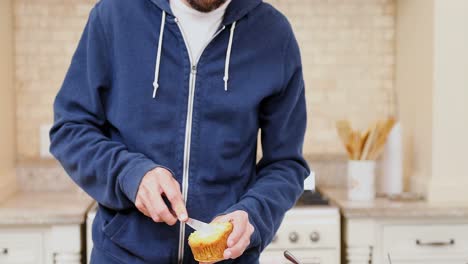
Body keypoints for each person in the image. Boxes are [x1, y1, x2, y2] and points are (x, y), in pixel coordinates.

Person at [50, 0, 309, 263]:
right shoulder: (114, 15)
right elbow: (70, 129)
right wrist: (129, 174)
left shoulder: (274, 35)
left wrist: (253, 214)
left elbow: (286, 163)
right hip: (122, 256)